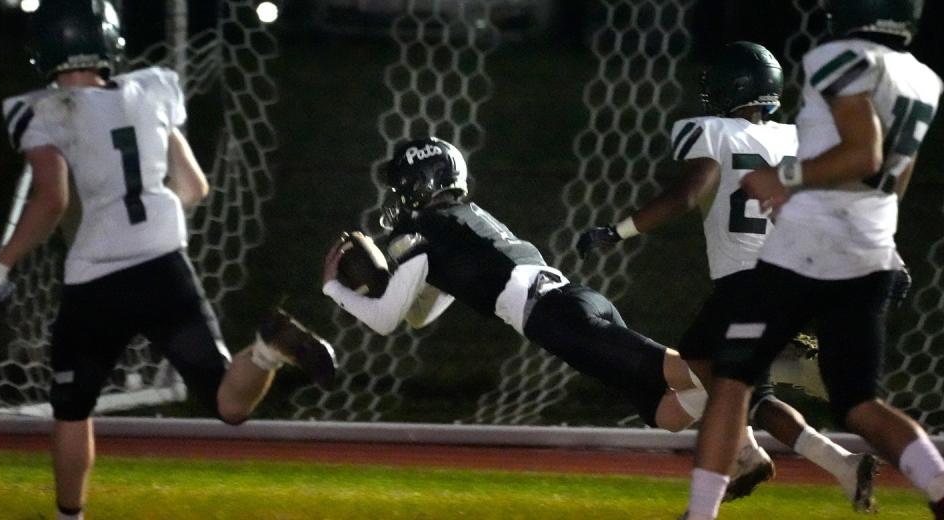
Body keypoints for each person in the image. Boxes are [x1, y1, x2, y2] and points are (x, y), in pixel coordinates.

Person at [0, 2, 336, 519]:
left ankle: (69, 516)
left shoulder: (45, 109)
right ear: (107, 39)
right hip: (164, 264)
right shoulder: (150, 90)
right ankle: (265, 350)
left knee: (72, 408)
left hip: (96, 280)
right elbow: (193, 186)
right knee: (226, 403)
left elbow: (51, 202)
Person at [577, 41, 878, 510]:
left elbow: (687, 193)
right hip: (794, 281)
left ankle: (730, 474)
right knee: (750, 392)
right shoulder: (794, 138)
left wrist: (617, 231)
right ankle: (838, 463)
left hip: (745, 284)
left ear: (729, 86)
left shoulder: (713, 131)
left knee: (696, 370)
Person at [680, 1, 944, 519]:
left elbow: (863, 151)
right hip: (869, 249)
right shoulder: (924, 79)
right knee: (859, 403)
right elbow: (895, 175)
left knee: (731, 377)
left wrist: (784, 179)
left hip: (806, 250)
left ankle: (700, 513)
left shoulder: (839, 54)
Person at [323, 136, 717, 437]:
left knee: (695, 372)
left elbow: (386, 320)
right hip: (572, 303)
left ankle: (755, 374)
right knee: (668, 414)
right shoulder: (460, 227)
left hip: (557, 319)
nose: (397, 197)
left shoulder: (423, 231)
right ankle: (743, 448)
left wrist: (333, 287)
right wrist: (410, 284)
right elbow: (418, 316)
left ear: (419, 184)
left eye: (402, 187)